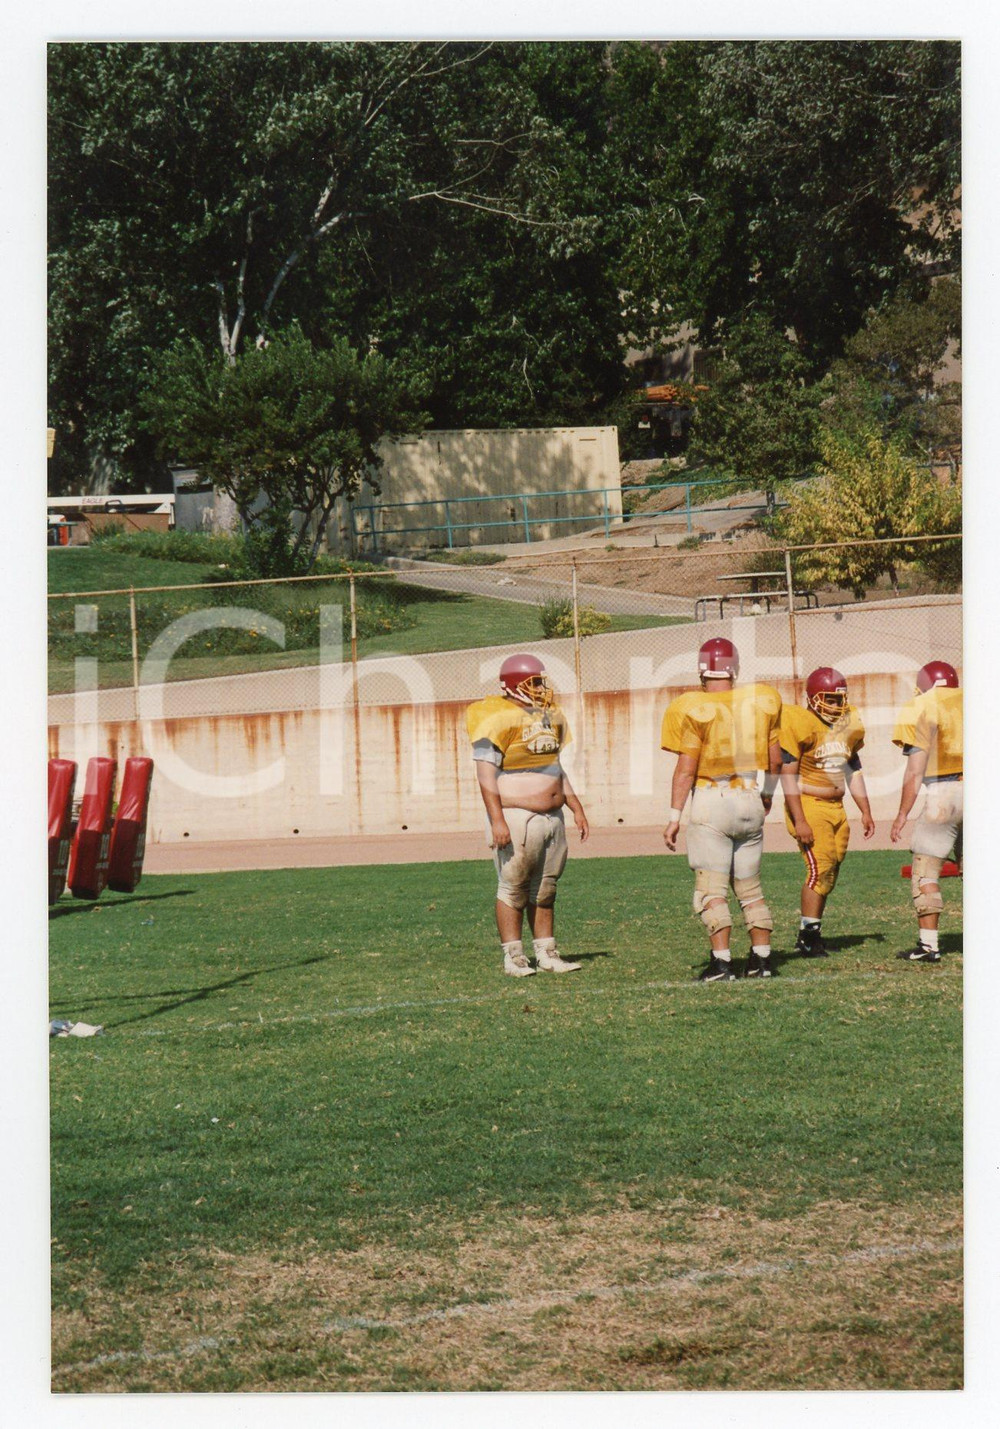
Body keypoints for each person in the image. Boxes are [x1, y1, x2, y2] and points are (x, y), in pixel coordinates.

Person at [661, 637, 783, 981]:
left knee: (710, 888)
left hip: (712, 799)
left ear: (702, 671)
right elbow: (775, 761)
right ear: (735, 668)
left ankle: (722, 963)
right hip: (750, 797)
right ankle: (762, 961)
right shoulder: (761, 702)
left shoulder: (693, 707)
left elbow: (686, 768)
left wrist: (673, 816)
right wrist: (768, 795)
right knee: (750, 888)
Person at [466, 653, 590, 977]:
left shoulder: (547, 716)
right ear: (511, 685)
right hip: (517, 814)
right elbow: (485, 774)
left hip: (552, 817)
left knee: (546, 888)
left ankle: (547, 953)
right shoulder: (495, 718)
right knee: (513, 888)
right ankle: (514, 957)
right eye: (533, 682)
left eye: (540, 681)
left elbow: (556, 768)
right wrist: (497, 820)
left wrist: (575, 805)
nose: (539, 688)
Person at [779, 667, 876, 958]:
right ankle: (808, 937)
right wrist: (800, 820)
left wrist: (866, 811)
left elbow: (854, 771)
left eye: (839, 700)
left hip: (837, 807)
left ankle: (812, 932)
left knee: (830, 872)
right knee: (817, 869)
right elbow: (787, 777)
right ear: (813, 698)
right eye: (830, 699)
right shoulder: (800, 722)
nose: (836, 705)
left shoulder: (847, 726)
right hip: (810, 804)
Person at [890, 660, 963, 963]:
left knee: (925, 871)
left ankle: (928, 945)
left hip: (944, 793)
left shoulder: (921, 706)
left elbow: (914, 772)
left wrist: (902, 813)